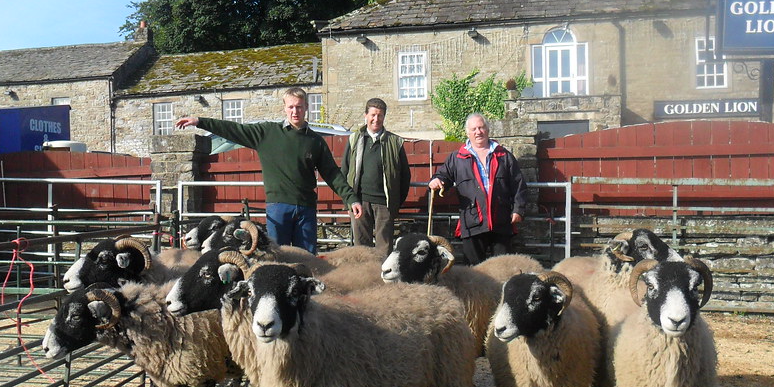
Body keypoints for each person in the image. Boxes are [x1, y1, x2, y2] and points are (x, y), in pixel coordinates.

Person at [175, 87, 362, 254]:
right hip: (278, 208)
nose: (295, 111)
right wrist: (200, 121)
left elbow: (332, 174)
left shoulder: (315, 141)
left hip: (306, 209)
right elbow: (234, 129)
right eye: (291, 107)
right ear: (284, 108)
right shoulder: (267, 133)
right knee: (276, 256)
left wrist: (350, 198)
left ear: (306, 108)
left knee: (306, 259)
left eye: (299, 107)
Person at [427, 113, 527, 265]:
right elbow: (443, 176)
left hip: (501, 220)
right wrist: (436, 180)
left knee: (504, 269)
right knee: (473, 272)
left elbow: (518, 184)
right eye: (474, 129)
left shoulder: (503, 155)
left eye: (481, 127)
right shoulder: (457, 157)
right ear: (467, 133)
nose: (478, 132)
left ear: (487, 130)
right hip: (472, 222)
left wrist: (518, 209)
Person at [340, 98, 411, 256]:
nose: (376, 119)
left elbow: (405, 177)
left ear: (384, 117)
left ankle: (382, 280)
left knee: (384, 250)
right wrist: (348, 200)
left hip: (384, 204)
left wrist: (395, 203)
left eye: (380, 115)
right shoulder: (354, 139)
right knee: (361, 249)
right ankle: (362, 280)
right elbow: (344, 171)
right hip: (359, 202)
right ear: (365, 115)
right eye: (373, 115)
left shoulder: (395, 142)